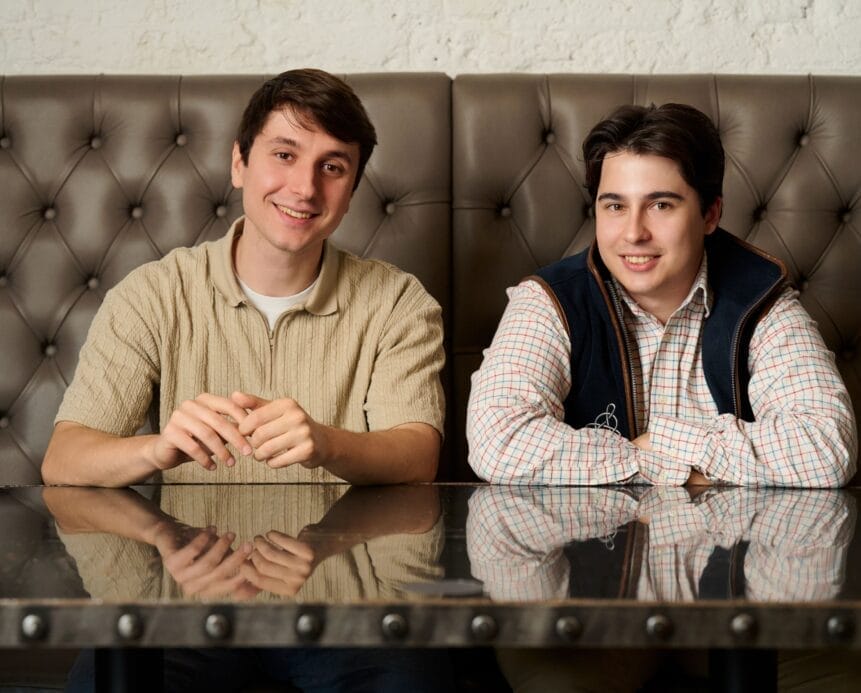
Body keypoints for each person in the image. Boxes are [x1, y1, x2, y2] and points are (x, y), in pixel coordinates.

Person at [42, 68, 445, 487]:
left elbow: (418, 457)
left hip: (349, 534)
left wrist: (327, 443)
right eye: (284, 155)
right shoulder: (151, 295)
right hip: (185, 532)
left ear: (351, 194)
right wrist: (155, 449)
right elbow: (62, 460)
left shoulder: (398, 302)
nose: (305, 188)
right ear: (239, 164)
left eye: (332, 167)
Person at [467, 102, 856, 487]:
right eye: (615, 206)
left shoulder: (761, 299)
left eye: (660, 205)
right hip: (590, 531)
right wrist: (668, 467)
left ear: (710, 214)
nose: (634, 233)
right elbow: (497, 441)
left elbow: (826, 449)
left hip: (735, 531)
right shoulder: (549, 301)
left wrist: (664, 440)